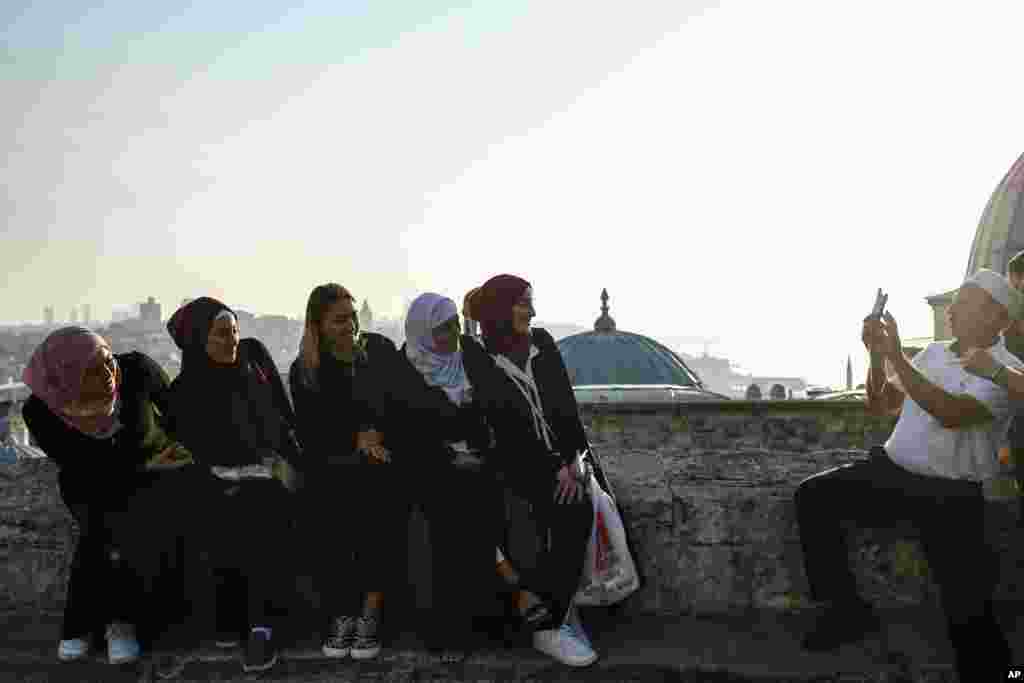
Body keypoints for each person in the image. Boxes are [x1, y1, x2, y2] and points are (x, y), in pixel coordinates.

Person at [795, 268, 1023, 681]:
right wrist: (878, 356)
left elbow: (952, 413)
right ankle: (845, 610)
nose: (951, 311)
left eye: (963, 304)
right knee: (813, 496)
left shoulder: (1004, 369)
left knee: (969, 612)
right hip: (893, 471)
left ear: (997, 317)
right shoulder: (934, 354)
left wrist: (898, 354)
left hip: (951, 493)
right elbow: (882, 403)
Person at [21, 327, 194, 665]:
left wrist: (172, 453)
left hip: (155, 476)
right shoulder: (41, 411)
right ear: (65, 377)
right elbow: (81, 464)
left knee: (113, 522)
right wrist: (141, 465)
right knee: (106, 520)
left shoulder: (137, 371)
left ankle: (87, 624)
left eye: (108, 361)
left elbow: (179, 414)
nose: (108, 375)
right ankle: (118, 622)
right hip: (90, 482)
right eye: (92, 371)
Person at [461, 274, 597, 667]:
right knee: (570, 511)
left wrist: (575, 460)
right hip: (516, 462)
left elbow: (565, 408)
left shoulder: (542, 343)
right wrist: (557, 468)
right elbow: (507, 420)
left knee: (582, 501)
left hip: (561, 461)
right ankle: (549, 626)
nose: (531, 311)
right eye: (522, 303)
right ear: (501, 309)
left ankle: (560, 613)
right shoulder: (479, 355)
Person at [166, 297, 301, 674]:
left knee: (261, 509)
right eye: (221, 335)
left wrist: (282, 464)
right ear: (198, 341)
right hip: (220, 485)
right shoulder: (185, 392)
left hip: (271, 477)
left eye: (235, 331)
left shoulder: (252, 359)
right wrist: (239, 473)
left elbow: (282, 418)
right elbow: (194, 455)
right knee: (234, 513)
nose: (233, 341)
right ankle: (245, 622)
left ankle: (259, 626)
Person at [288, 284, 405, 662]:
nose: (349, 325)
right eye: (339, 320)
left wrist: (375, 436)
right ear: (319, 325)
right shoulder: (306, 369)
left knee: (375, 489)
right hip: (334, 462)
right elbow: (311, 431)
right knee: (331, 499)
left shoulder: (380, 351)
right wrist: (356, 438)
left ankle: (370, 610)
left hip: (382, 458)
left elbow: (400, 406)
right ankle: (343, 611)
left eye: (351, 317)